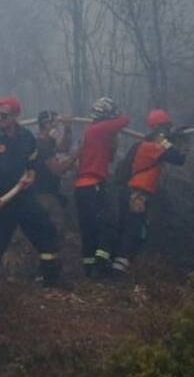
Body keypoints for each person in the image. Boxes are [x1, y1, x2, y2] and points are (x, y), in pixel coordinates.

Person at [0, 97, 62, 290]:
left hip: (24, 197)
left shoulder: (26, 138)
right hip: (1, 201)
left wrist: (31, 175)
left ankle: (51, 280)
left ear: (15, 115)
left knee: (46, 233)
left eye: (3, 114)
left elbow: (33, 163)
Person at [112, 110, 188, 276]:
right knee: (134, 230)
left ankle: (118, 265)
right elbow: (178, 158)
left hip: (131, 192)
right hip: (137, 194)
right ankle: (118, 270)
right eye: (166, 128)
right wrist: (182, 141)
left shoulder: (144, 146)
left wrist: (171, 140)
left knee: (129, 228)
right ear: (160, 130)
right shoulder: (150, 147)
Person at [74, 97, 130, 277]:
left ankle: (89, 268)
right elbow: (124, 121)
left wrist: (113, 144)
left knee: (89, 228)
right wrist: (118, 116)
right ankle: (101, 262)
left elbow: (109, 158)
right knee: (109, 224)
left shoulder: (93, 133)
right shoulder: (99, 129)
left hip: (84, 187)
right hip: (93, 185)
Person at [33, 110, 74, 229]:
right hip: (43, 194)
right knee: (55, 226)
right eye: (55, 125)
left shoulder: (48, 141)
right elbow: (58, 169)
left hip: (51, 191)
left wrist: (67, 128)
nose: (57, 128)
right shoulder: (41, 145)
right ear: (46, 124)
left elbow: (64, 148)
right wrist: (77, 155)